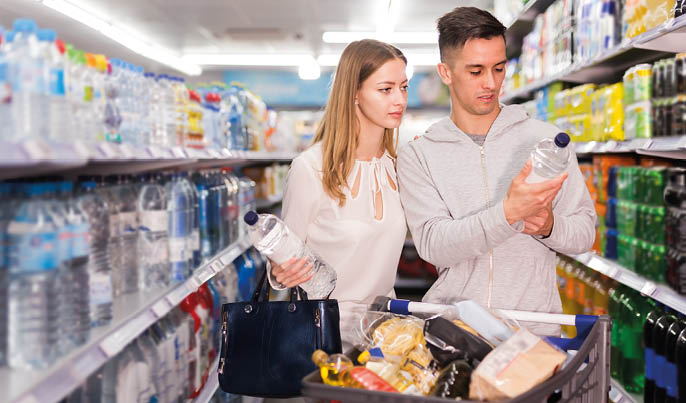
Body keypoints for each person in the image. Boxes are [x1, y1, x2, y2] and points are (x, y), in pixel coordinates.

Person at [396, 7, 596, 336]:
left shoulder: (545, 140)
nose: (491, 83)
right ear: (445, 72)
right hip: (456, 334)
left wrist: (549, 226)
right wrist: (507, 214)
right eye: (475, 71)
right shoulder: (419, 154)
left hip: (536, 333)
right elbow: (434, 244)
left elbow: (585, 232)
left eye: (499, 68)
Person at [267, 39, 409, 348]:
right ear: (354, 93)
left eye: (404, 87)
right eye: (386, 89)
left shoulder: (399, 168)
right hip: (326, 340)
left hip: (385, 337)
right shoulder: (311, 169)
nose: (399, 99)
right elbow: (284, 260)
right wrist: (280, 271)